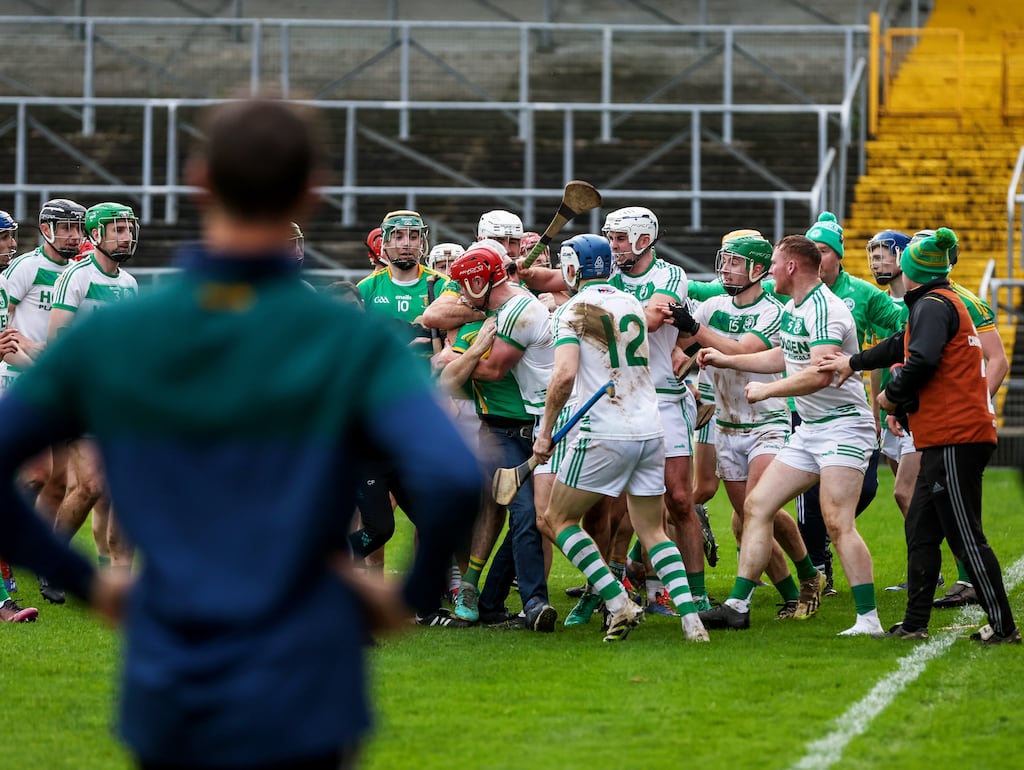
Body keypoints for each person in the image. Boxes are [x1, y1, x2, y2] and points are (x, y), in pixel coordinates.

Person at [0, 96, 482, 768]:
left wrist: (88, 582)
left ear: (200, 181)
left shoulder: (120, 331)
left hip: (172, 673)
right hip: (307, 678)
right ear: (314, 190)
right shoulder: (349, 338)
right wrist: (410, 595)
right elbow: (456, 473)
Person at [818, 228, 1018, 644]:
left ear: (913, 271)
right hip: (941, 436)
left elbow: (920, 358)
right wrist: (853, 362)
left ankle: (1003, 627)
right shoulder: (932, 303)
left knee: (964, 534)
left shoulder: (931, 304)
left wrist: (892, 396)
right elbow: (898, 345)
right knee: (922, 531)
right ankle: (914, 624)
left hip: (955, 436)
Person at [697, 235, 883, 637]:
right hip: (813, 430)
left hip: (843, 425)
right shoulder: (796, 307)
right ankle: (738, 605)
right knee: (757, 506)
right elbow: (782, 356)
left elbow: (821, 373)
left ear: (792, 267)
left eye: (776, 264)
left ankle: (868, 619)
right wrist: (727, 358)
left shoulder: (825, 310)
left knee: (837, 522)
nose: (771, 271)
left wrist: (767, 390)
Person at [535, 234, 708, 643]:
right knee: (653, 530)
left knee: (555, 519)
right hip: (650, 427)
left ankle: (617, 603)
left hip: (603, 430)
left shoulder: (573, 311)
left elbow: (562, 377)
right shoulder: (631, 303)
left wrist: (545, 433)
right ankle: (691, 621)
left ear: (574, 268)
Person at [679, 234, 825, 619]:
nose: (725, 268)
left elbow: (742, 352)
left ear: (758, 270)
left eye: (734, 262)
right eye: (723, 260)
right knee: (751, 516)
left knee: (763, 508)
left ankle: (799, 579)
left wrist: (694, 328)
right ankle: (796, 591)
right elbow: (684, 343)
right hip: (726, 425)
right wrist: (684, 363)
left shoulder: (773, 311)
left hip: (767, 423)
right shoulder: (711, 305)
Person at [445, 242, 557, 632]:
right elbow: (445, 378)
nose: (459, 294)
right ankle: (526, 602)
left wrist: (461, 358)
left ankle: (490, 599)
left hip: (540, 426)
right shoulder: (483, 324)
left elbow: (485, 372)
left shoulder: (515, 313)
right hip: (499, 431)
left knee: (533, 517)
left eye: (463, 286)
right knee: (516, 512)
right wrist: (470, 351)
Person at [603, 207, 711, 611]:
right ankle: (615, 592)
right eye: (610, 238)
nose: (613, 247)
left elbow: (648, 321)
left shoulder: (670, 275)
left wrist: (597, 309)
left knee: (679, 499)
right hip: (620, 398)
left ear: (643, 240)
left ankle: (696, 594)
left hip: (664, 396)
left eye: (619, 238)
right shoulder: (607, 275)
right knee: (613, 504)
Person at [797, 212, 904, 596]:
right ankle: (816, 568)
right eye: (812, 250)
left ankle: (818, 541)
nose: (817, 257)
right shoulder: (790, 291)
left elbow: (904, 321)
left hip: (847, 408)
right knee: (807, 493)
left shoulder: (860, 294)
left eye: (824, 251)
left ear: (838, 256)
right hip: (803, 408)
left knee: (869, 486)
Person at [47, 202, 141, 576]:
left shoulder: (130, 284)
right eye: (118, 229)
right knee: (89, 486)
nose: (127, 236)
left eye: (129, 228)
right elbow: (58, 339)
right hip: (80, 400)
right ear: (96, 234)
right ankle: (51, 562)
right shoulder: (77, 277)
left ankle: (121, 575)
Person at [3, 197, 86, 604]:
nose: (72, 235)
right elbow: (5, 325)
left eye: (77, 227)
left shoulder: (76, 271)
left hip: (54, 383)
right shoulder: (26, 267)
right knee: (35, 475)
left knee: (57, 481)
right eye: (65, 227)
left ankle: (42, 567)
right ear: (47, 229)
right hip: (19, 375)